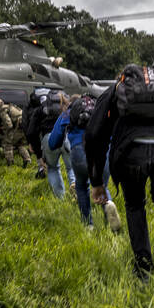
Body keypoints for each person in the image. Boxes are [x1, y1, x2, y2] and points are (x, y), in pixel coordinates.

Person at [86, 64, 154, 278]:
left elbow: (95, 133)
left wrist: (96, 181)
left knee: (134, 205)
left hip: (131, 152)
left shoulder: (116, 89)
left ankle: (144, 267)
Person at [48, 94, 121, 230]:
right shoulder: (102, 110)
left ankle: (88, 224)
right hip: (103, 153)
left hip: (79, 153)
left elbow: (53, 142)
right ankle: (108, 207)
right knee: (102, 185)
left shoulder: (67, 113)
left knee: (81, 186)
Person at [0, 97, 32, 166]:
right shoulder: (8, 106)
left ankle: (10, 163)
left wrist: (0, 129)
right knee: (19, 144)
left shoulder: (2, 110)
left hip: (18, 128)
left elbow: (9, 125)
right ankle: (27, 160)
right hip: (24, 127)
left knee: (6, 144)